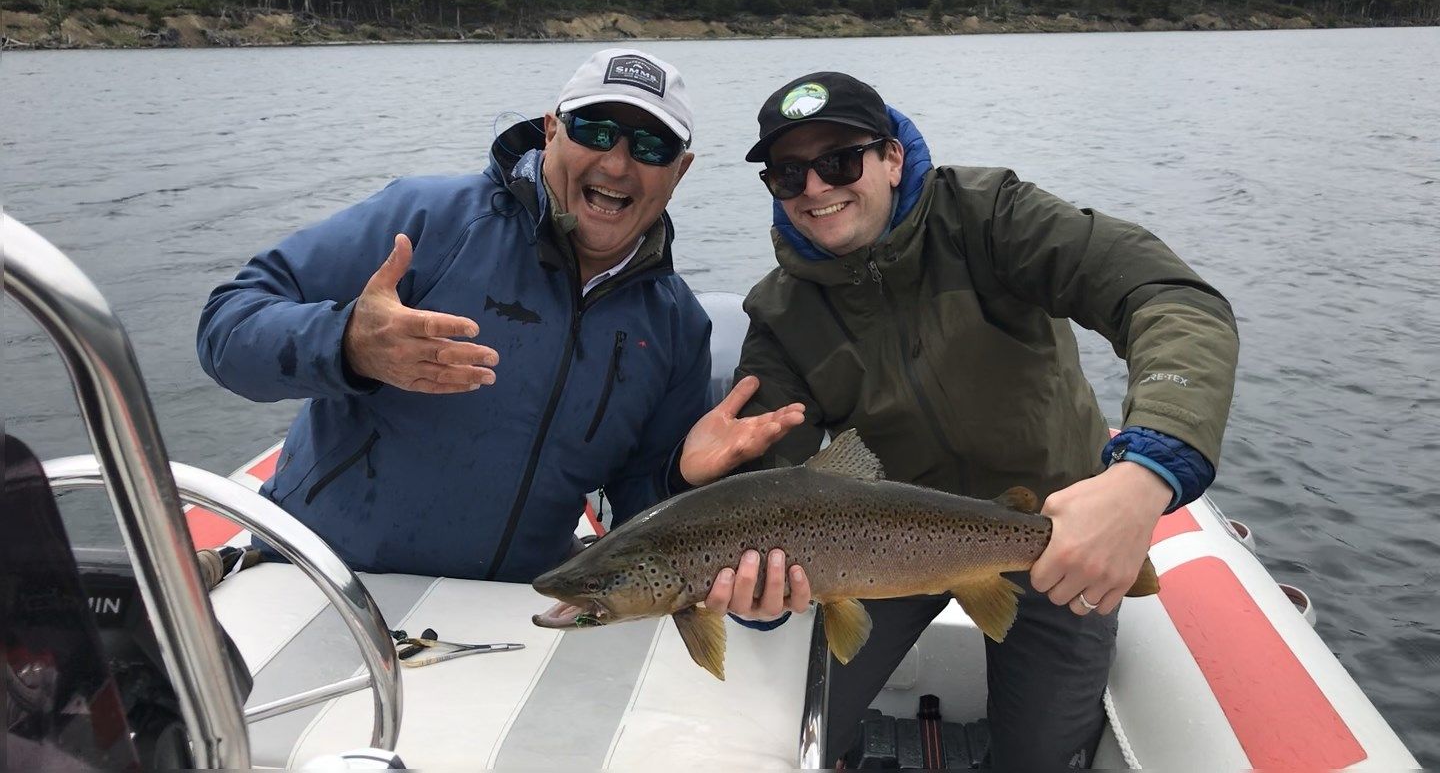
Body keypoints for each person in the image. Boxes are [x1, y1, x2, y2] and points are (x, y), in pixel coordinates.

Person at [724, 71, 1238, 769]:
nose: (815, 187)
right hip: (877, 546)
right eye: (789, 174)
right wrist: (744, 561)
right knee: (784, 731)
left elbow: (1167, 297)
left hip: (1052, 530)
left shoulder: (992, 218)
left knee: (1040, 755)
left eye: (839, 161)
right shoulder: (779, 313)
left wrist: (1147, 472)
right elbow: (771, 470)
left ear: (892, 157)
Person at [195, 48, 802, 583]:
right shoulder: (428, 221)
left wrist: (681, 480)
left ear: (680, 170)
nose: (617, 165)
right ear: (551, 130)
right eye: (594, 130)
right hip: (320, 574)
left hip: (514, 609)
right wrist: (346, 343)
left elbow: (638, 512)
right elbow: (226, 325)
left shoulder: (677, 327)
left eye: (651, 147)